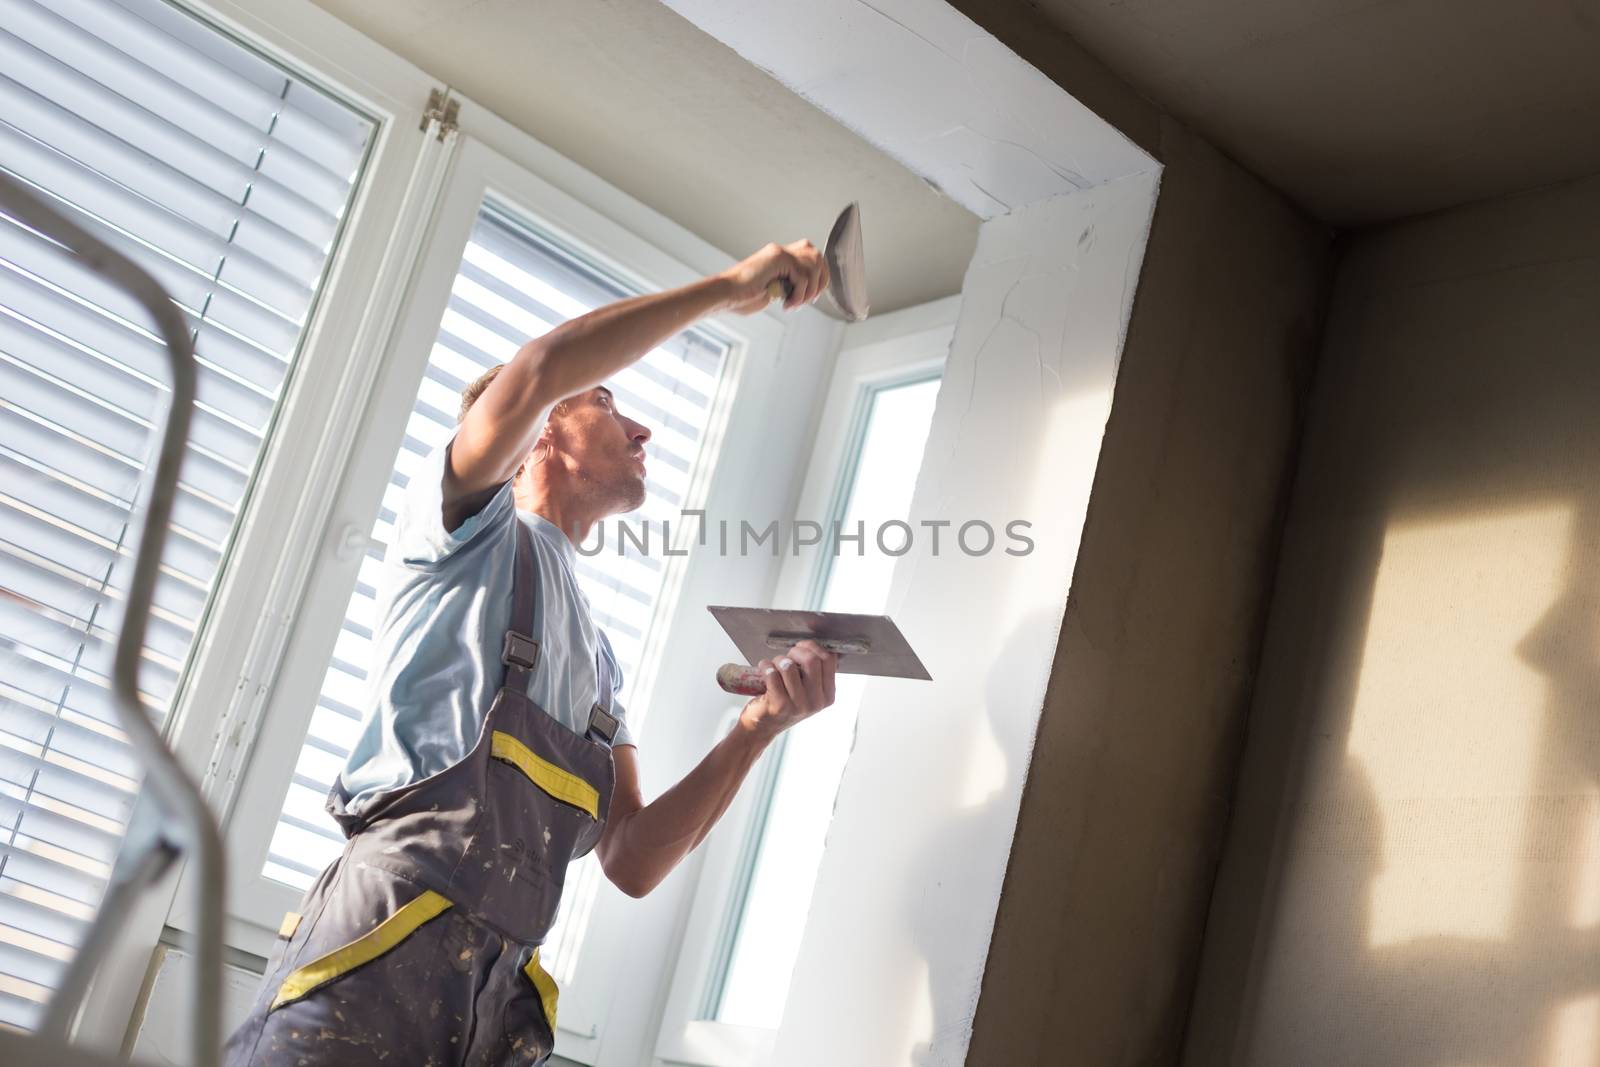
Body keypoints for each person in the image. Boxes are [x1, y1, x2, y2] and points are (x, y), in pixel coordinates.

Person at [226, 240, 840, 1065]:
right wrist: (730, 288)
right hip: (376, 957)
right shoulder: (461, 534)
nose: (643, 426)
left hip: (490, 1008)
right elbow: (544, 365)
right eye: (608, 400)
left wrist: (756, 728)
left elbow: (631, 858)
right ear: (546, 426)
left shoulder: (601, 660)